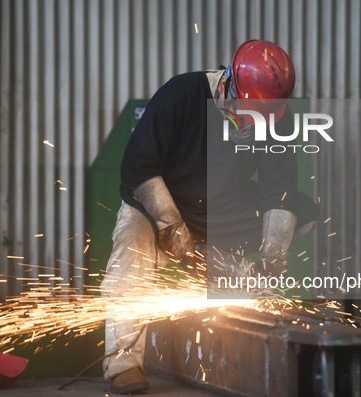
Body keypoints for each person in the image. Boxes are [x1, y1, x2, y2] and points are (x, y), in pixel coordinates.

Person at [101, 39, 318, 394]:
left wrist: (272, 254)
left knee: (303, 212)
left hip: (222, 209)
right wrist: (170, 226)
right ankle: (123, 362)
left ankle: (233, 300)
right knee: (131, 244)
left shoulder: (277, 117)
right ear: (229, 85)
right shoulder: (182, 94)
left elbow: (279, 188)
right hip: (159, 203)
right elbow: (138, 168)